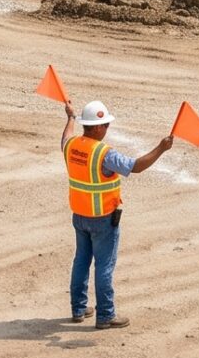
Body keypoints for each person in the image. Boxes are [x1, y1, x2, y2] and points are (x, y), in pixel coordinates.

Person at [62, 99, 172, 330]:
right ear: (98, 127)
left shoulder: (72, 146)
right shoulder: (104, 154)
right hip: (102, 218)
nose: (107, 129)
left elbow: (65, 138)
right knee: (104, 266)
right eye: (106, 125)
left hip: (79, 215)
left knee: (81, 260)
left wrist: (70, 117)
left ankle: (79, 309)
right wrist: (161, 148)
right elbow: (136, 166)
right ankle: (105, 315)